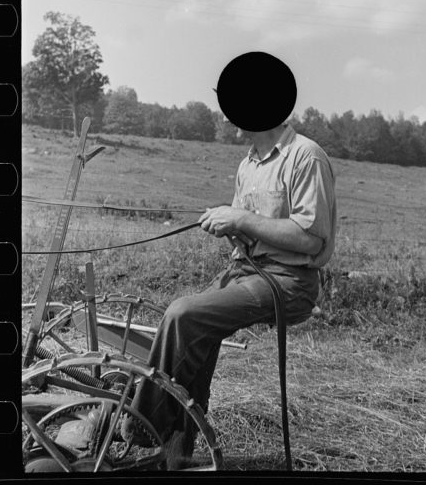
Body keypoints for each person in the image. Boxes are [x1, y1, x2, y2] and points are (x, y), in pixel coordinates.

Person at [121, 52, 337, 469]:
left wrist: (240, 217)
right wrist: (231, 228)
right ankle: (175, 453)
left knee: (184, 315)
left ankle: (137, 425)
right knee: (193, 330)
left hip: (288, 282)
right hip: (249, 270)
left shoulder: (306, 157)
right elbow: (253, 232)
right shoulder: (247, 165)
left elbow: (310, 240)